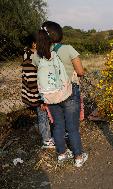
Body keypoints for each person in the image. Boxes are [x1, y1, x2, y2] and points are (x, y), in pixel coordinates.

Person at [33, 21, 88, 167]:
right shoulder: (67, 49)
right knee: (72, 127)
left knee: (57, 125)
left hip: (50, 95)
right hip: (69, 92)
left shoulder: (37, 55)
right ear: (58, 33)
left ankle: (62, 154)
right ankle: (78, 157)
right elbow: (81, 72)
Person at [21, 34, 55, 148]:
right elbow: (32, 80)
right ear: (34, 44)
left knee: (44, 115)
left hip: (37, 93)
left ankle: (48, 136)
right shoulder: (30, 58)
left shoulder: (30, 54)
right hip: (37, 95)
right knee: (43, 116)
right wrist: (41, 99)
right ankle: (46, 140)